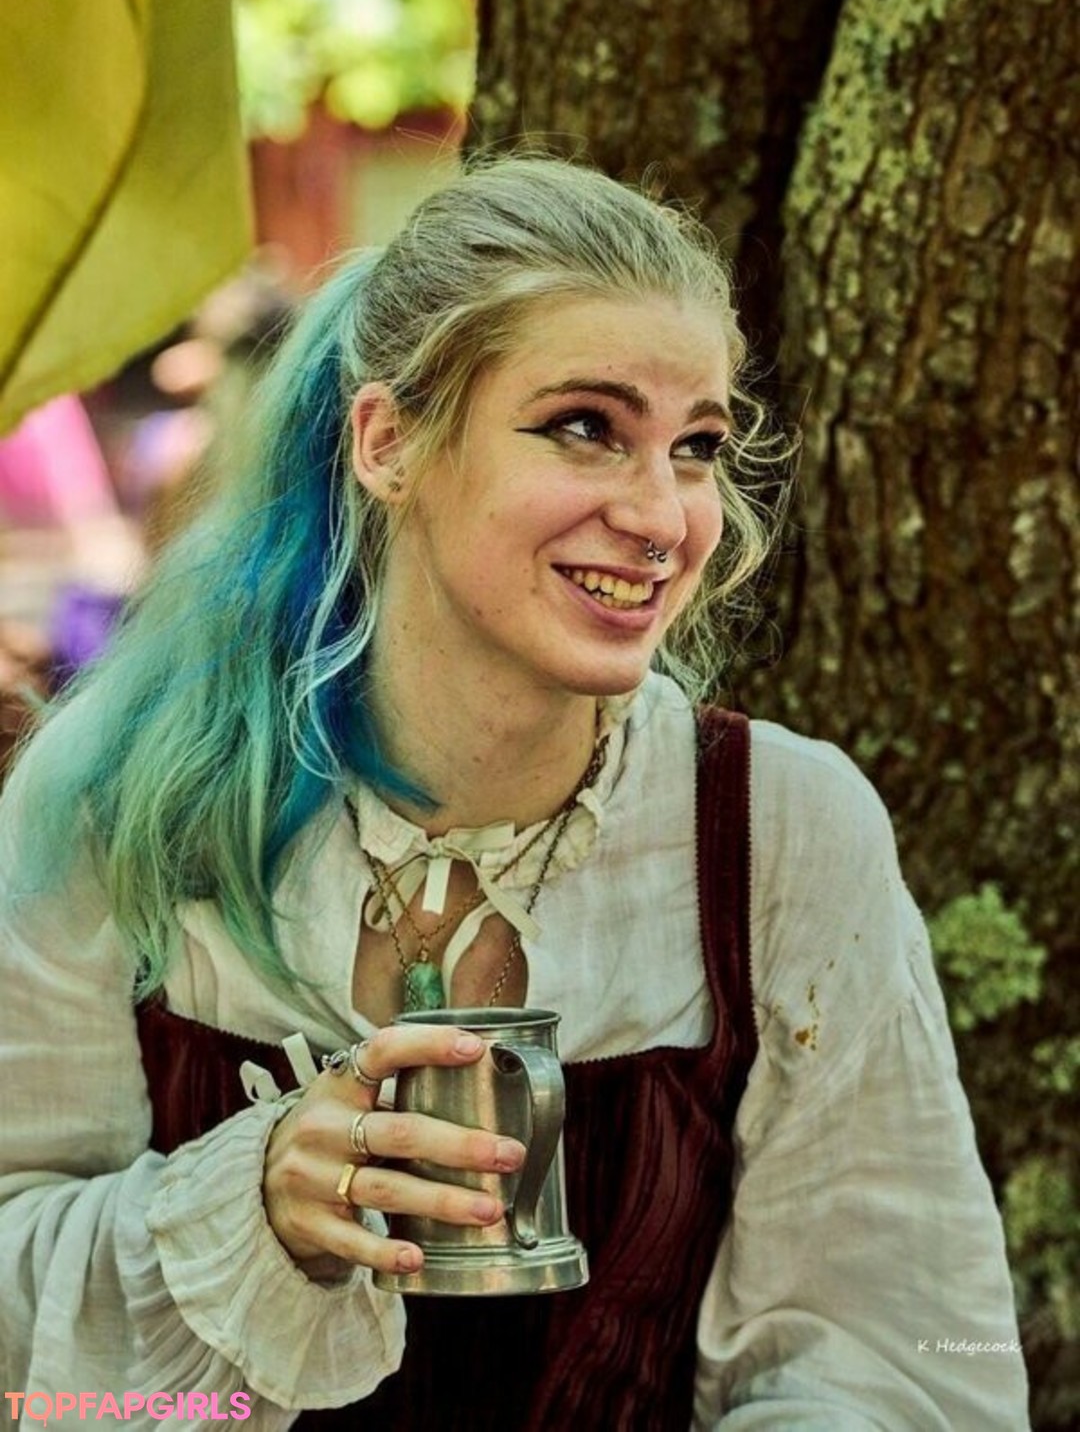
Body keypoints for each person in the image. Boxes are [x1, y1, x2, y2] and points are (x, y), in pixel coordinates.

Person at [0, 156, 1028, 1431]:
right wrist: (250, 1206)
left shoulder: (777, 829)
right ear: (388, 443)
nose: (662, 517)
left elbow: (889, 1355)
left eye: (697, 448)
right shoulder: (122, 804)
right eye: (585, 426)